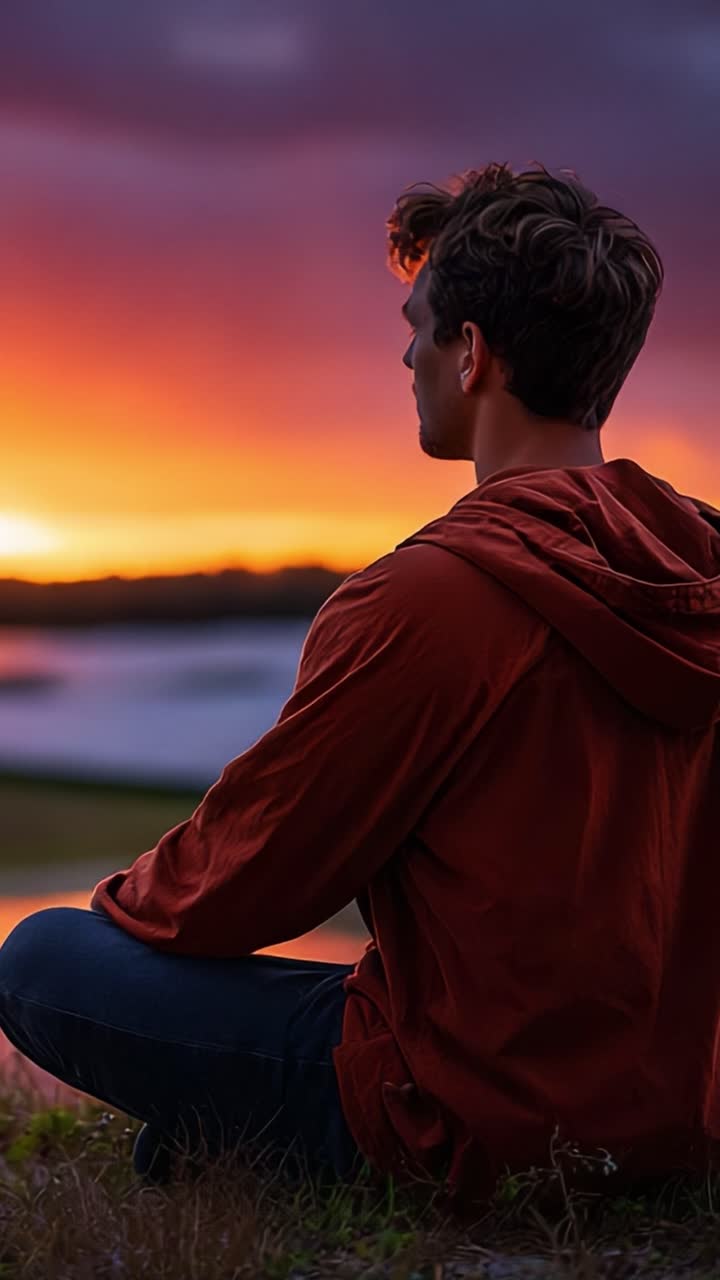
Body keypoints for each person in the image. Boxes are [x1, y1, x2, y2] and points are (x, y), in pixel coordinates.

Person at [1, 160, 718, 1212]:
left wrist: (122, 912)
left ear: (470, 354)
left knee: (42, 956)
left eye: (417, 324)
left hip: (480, 1121)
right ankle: (239, 1137)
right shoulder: (701, 566)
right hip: (687, 1114)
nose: (402, 352)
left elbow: (249, 876)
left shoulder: (431, 595)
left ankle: (260, 1142)